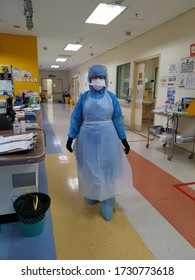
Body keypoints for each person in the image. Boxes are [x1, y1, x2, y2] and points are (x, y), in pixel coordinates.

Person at [66, 64, 133, 221]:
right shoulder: (84, 97)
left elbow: (117, 120)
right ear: (90, 80)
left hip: (108, 138)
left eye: (101, 77)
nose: (98, 80)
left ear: (106, 79)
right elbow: (76, 118)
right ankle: (93, 193)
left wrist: (124, 139)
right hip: (86, 138)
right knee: (90, 168)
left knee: (107, 168)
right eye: (95, 77)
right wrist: (70, 137)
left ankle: (108, 200)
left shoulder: (111, 98)